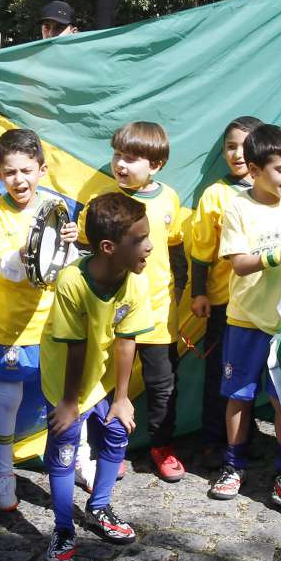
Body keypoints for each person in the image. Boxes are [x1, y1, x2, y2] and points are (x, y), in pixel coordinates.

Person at [189, 116, 281, 470]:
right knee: (239, 397)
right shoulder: (238, 206)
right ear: (254, 169)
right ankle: (232, 465)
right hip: (245, 320)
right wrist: (275, 255)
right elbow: (238, 263)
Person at [42, 192, 154, 561]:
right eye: (139, 240)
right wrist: (69, 404)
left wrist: (122, 397)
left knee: (117, 429)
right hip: (65, 382)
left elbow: (126, 342)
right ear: (107, 247)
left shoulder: (135, 281)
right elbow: (74, 349)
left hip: (102, 378)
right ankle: (62, 529)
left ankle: (100, 507)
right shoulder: (72, 282)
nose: (150, 246)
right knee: (64, 449)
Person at [76, 123, 186, 484]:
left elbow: (176, 248)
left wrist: (185, 293)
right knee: (105, 382)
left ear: (156, 164)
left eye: (131, 158)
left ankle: (161, 446)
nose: (120, 164)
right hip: (114, 311)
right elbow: (82, 240)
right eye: (117, 155)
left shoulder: (169, 198)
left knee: (161, 383)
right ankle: (109, 448)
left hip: (157, 311)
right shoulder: (104, 202)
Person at [0, 129, 79, 511]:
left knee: (65, 396)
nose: (19, 179)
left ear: (42, 169)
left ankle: (77, 458)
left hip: (55, 323)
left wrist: (70, 243)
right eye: (10, 172)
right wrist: (30, 246)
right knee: (9, 398)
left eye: (26, 170)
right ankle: (5, 473)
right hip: (12, 327)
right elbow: (9, 270)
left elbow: (64, 267)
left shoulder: (55, 205)